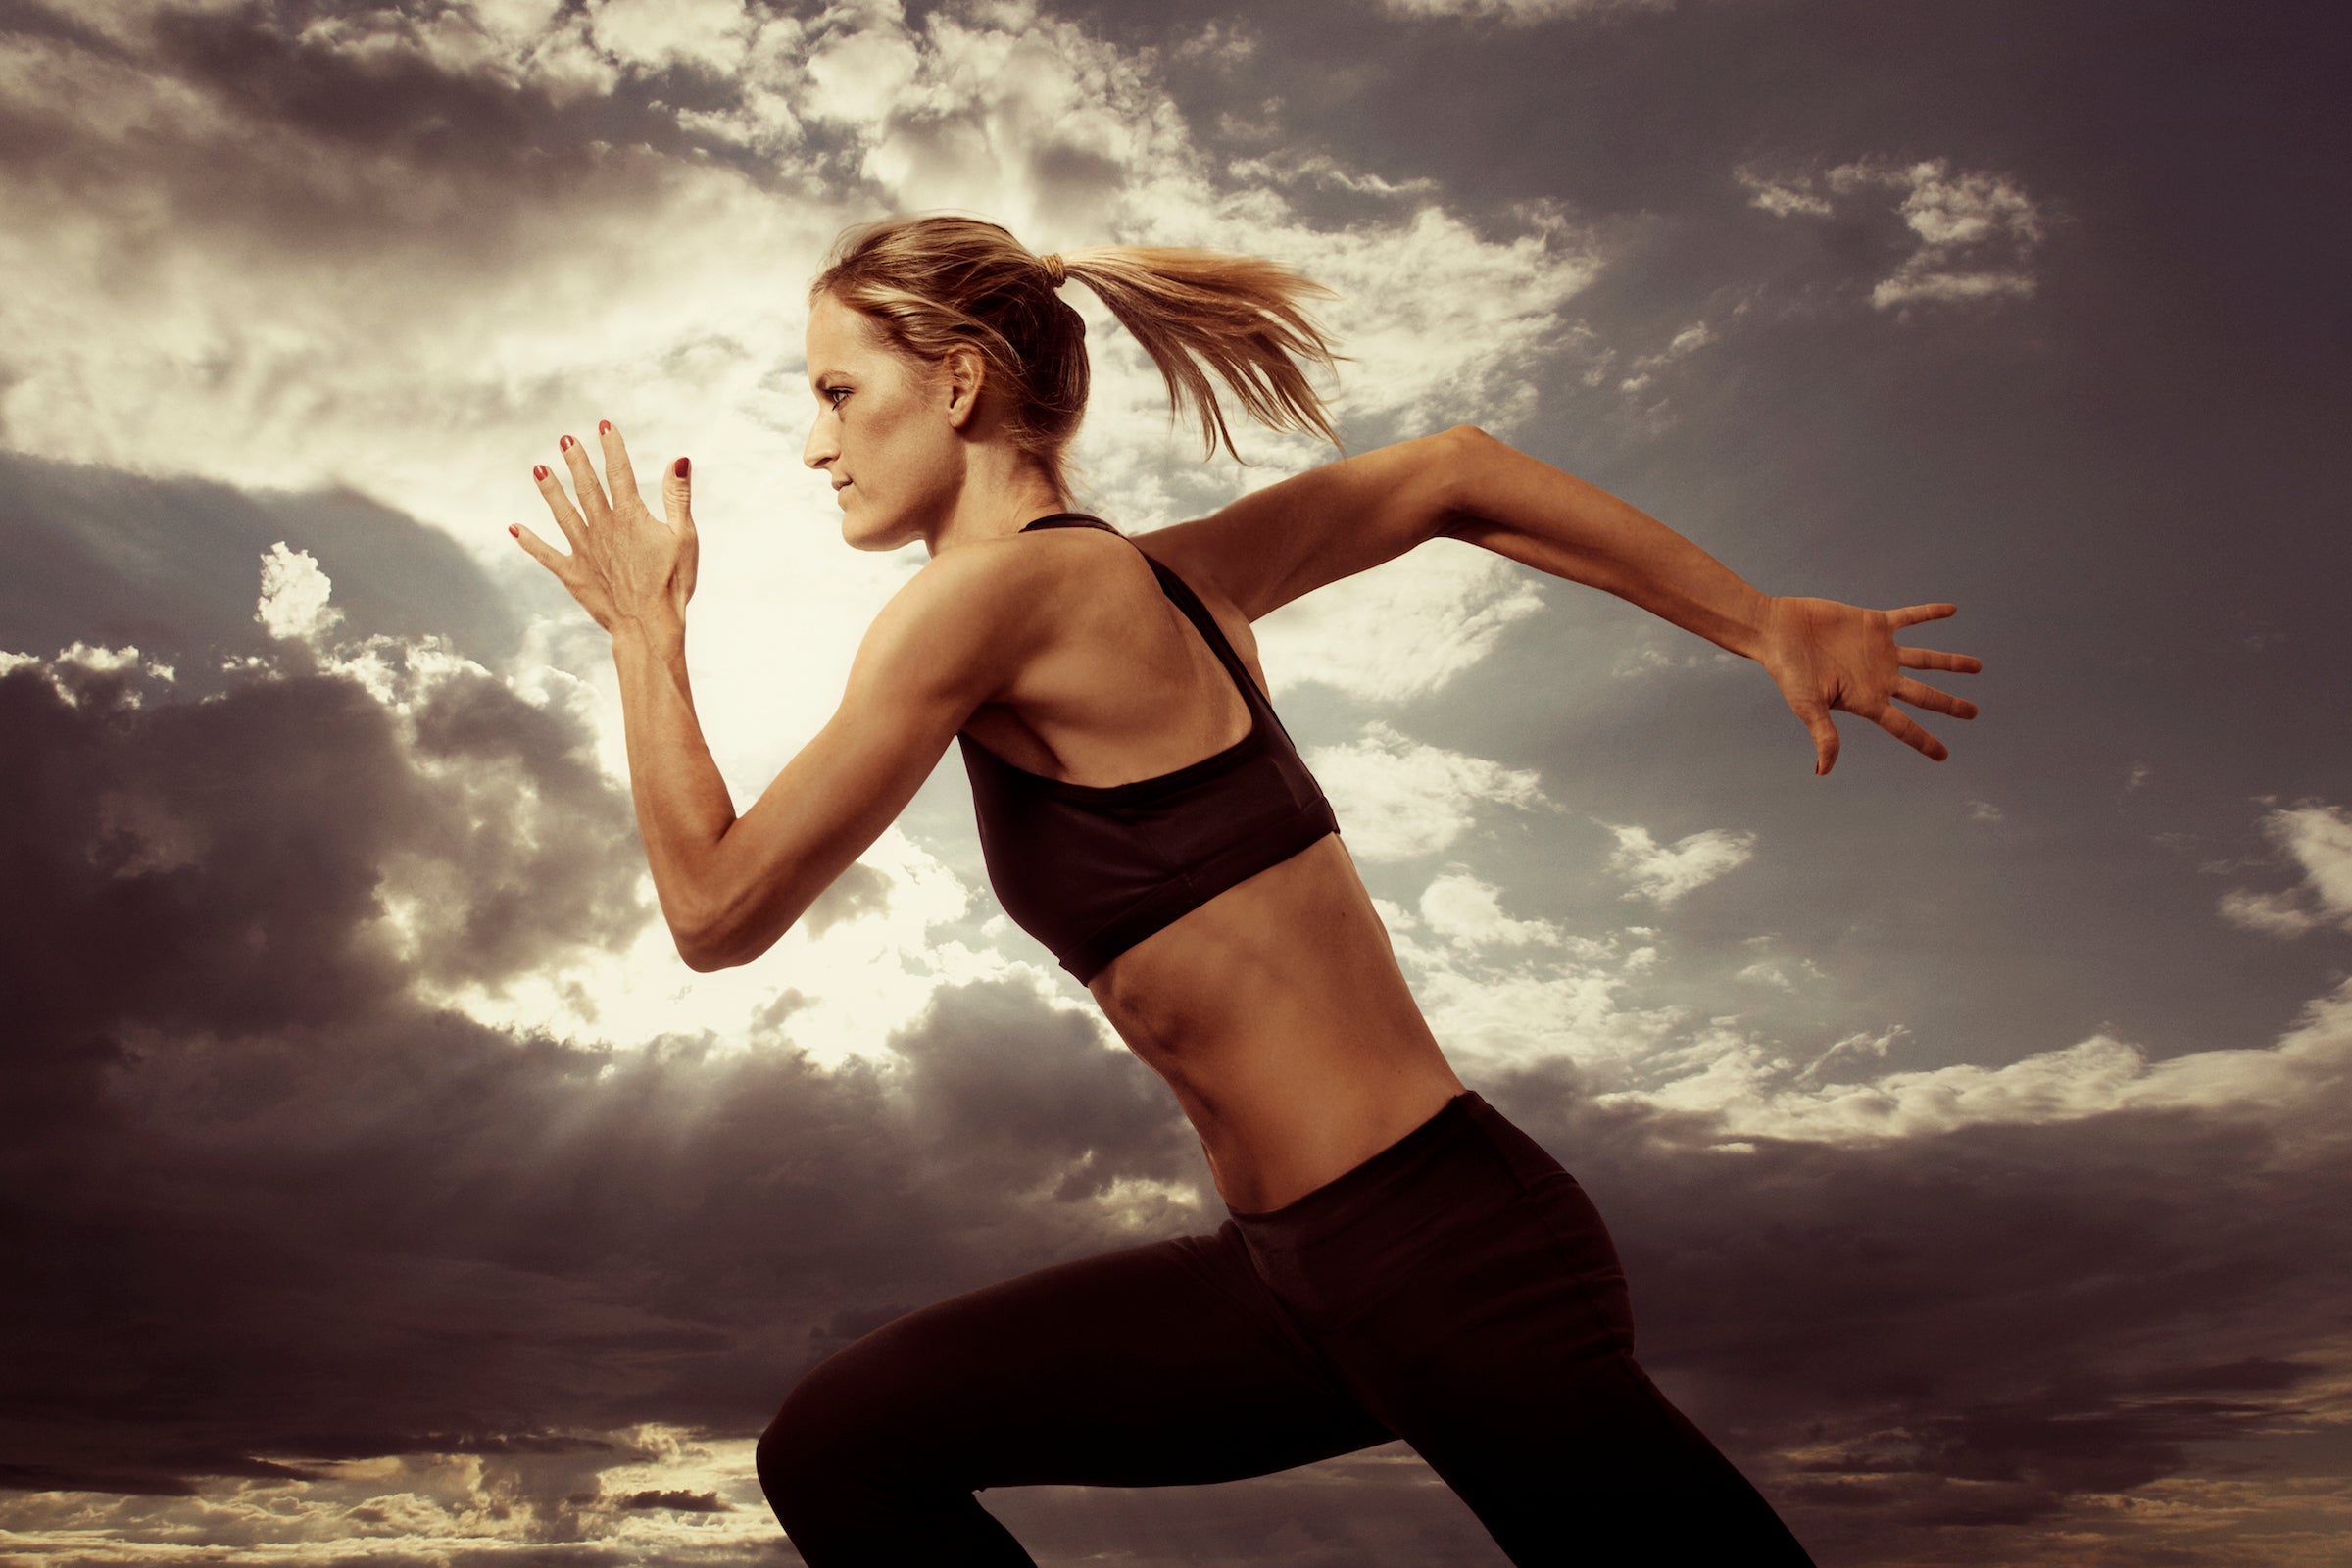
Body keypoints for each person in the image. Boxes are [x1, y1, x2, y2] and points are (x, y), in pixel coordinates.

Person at [513, 214, 1979, 1566]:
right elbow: (1451, 474)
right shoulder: (1174, 580)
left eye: (835, 391)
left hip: (1443, 1257)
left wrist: (647, 632)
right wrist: (1754, 616)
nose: (815, 442)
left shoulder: (981, 600)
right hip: (1297, 1283)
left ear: (956, 385)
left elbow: (716, 911)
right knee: (842, 1445)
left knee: (843, 1451)